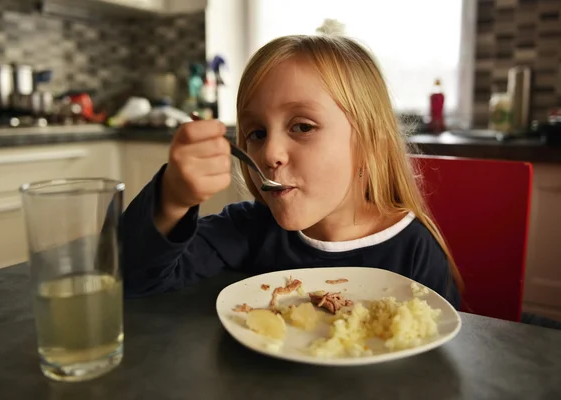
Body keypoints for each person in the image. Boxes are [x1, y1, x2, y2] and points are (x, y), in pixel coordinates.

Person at [119, 34, 463, 308]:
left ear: (368, 143)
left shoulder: (414, 251)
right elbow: (132, 277)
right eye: (256, 133)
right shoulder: (247, 229)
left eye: (302, 127)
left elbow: (435, 354)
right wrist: (172, 197)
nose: (269, 152)